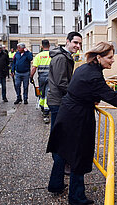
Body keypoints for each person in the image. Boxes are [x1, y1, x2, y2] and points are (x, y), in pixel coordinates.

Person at [46, 42, 117, 204]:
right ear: (99, 57)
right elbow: (114, 98)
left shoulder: (85, 68)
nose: (112, 61)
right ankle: (76, 198)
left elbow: (80, 88)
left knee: (63, 150)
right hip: (77, 118)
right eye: (109, 58)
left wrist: (92, 98)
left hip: (68, 114)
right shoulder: (93, 75)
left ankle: (55, 185)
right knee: (78, 156)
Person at [47, 32, 82, 178]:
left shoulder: (65, 56)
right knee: (58, 136)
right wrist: (78, 96)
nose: (78, 46)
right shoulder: (61, 58)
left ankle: (61, 164)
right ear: (67, 42)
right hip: (58, 102)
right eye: (75, 42)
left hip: (59, 101)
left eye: (80, 44)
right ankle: (59, 166)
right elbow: (62, 83)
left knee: (60, 134)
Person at [30, 39, 51, 124]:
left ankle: (43, 108)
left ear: (42, 46)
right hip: (50, 77)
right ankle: (46, 112)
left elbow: (34, 68)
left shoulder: (38, 56)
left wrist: (31, 77)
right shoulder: (52, 55)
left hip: (41, 77)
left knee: (41, 93)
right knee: (47, 93)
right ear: (49, 45)